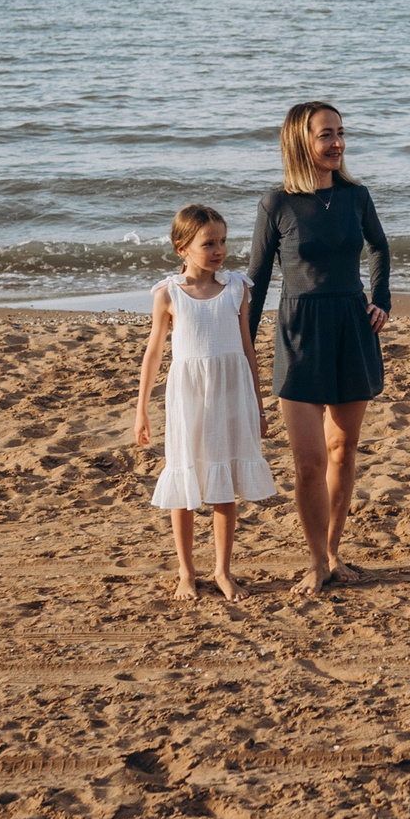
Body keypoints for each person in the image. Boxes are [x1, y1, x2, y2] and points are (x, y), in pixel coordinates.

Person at [251, 102, 391, 596]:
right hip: (300, 333)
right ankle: (315, 562)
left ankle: (333, 552)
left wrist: (382, 301)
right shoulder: (277, 204)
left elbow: (380, 246)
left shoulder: (356, 197)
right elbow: (258, 279)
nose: (337, 143)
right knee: (308, 461)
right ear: (300, 142)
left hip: (352, 327)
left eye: (340, 133)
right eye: (325, 135)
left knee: (343, 449)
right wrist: (245, 351)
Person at [133, 203, 275, 601]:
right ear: (182, 248)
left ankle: (223, 572)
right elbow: (154, 353)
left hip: (231, 394)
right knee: (185, 480)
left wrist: (259, 406)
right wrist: (141, 409)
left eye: (223, 241)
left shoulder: (237, 288)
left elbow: (248, 351)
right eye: (208, 243)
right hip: (189, 396)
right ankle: (185, 572)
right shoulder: (167, 294)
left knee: (223, 485)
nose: (219, 250)